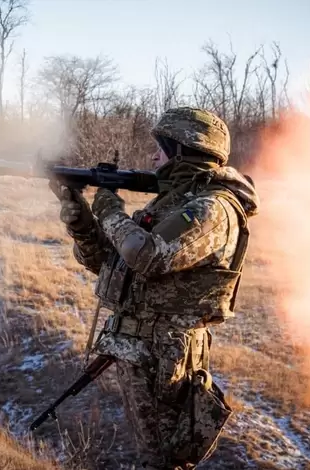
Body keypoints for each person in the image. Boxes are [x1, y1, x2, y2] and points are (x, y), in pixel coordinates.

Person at [50, 107, 259, 469]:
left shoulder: (214, 209)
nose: (152, 157)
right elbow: (111, 261)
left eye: (159, 148)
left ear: (183, 150)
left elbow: (147, 255)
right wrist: (83, 221)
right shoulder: (171, 204)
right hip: (141, 348)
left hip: (166, 354)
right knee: (152, 454)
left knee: (163, 460)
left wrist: (110, 209)